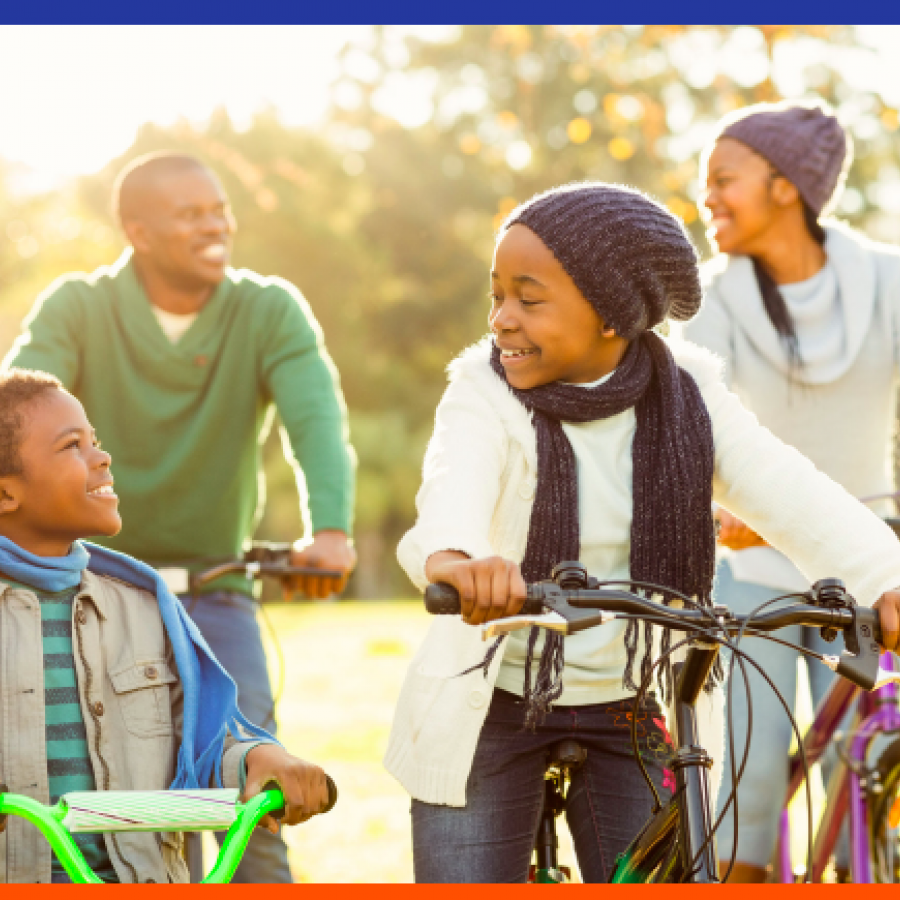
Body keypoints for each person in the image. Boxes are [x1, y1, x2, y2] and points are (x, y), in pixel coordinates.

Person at [382, 181, 900, 884]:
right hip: (497, 700)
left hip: (634, 699)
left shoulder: (689, 393)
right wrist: (460, 559)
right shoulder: (483, 390)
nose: (501, 319)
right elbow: (454, 484)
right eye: (496, 294)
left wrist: (884, 577)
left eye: (528, 299)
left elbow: (788, 488)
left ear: (611, 315)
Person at [2, 152, 356, 881]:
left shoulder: (265, 310)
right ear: (139, 231)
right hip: (86, 581)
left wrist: (331, 530)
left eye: (220, 209)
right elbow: (25, 414)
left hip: (214, 587)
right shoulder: (80, 306)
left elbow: (315, 417)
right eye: (191, 213)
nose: (216, 223)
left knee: (252, 797)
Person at [0, 368, 331, 883]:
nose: (101, 457)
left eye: (96, 442)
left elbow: (202, 743)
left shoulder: (145, 609)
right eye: (71, 446)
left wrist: (259, 760)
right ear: (6, 495)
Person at [685, 99, 900, 882]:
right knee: (747, 794)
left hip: (871, 567)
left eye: (723, 179)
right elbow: (696, 425)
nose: (706, 196)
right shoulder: (709, 300)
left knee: (871, 767)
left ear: (784, 186)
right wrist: (715, 507)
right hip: (754, 567)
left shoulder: (886, 280)